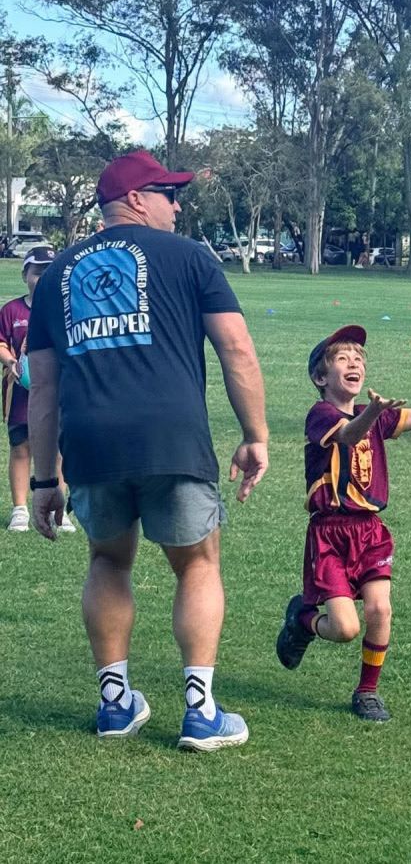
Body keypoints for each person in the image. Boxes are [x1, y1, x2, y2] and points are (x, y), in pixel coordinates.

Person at [25, 148, 269, 750]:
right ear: (136, 199)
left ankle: (114, 706)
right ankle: (201, 711)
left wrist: (43, 479)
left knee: (107, 561)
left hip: (90, 444)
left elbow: (44, 385)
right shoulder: (190, 258)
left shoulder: (55, 274)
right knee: (197, 563)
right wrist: (256, 436)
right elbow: (236, 350)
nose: (177, 204)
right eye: (168, 192)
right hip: (172, 438)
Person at [275, 320, 411, 722]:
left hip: (370, 532)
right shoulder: (320, 414)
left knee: (380, 611)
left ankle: (367, 692)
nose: (353, 363)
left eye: (358, 358)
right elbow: (350, 436)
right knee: (345, 629)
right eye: (342, 358)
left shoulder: (376, 417)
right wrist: (372, 411)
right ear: (321, 376)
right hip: (331, 535)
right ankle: (303, 619)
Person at [0, 246, 75, 533]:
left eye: (50, 273)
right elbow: (1, 341)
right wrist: (10, 362)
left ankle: (60, 508)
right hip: (20, 394)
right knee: (21, 448)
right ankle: (20, 508)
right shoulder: (12, 311)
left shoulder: (65, 309)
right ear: (24, 275)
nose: (43, 279)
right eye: (37, 272)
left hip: (58, 392)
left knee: (57, 450)